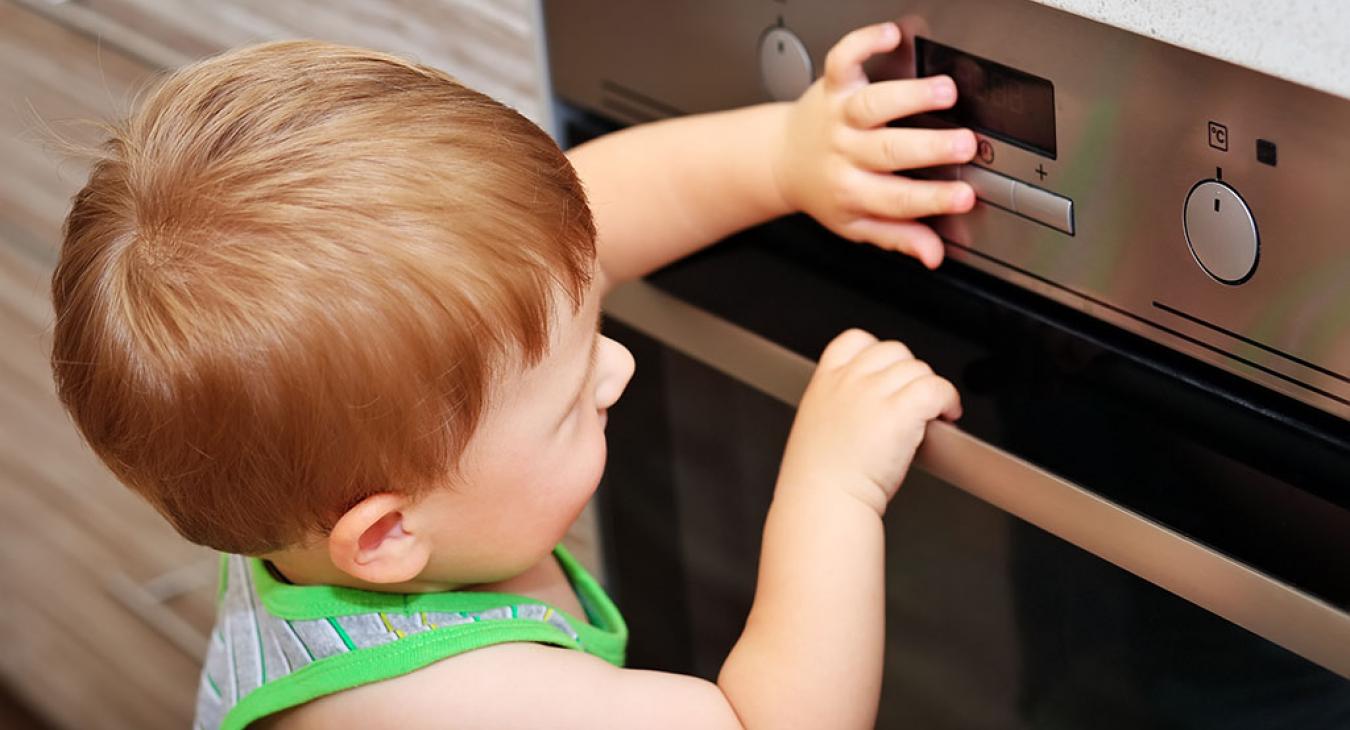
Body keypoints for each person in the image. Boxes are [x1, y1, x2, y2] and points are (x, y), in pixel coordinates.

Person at [50, 21, 974, 730]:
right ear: (385, 537)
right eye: (570, 404)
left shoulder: (299, 470)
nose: (616, 368)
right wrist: (831, 489)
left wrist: (780, 154)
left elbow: (586, 230)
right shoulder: (461, 702)